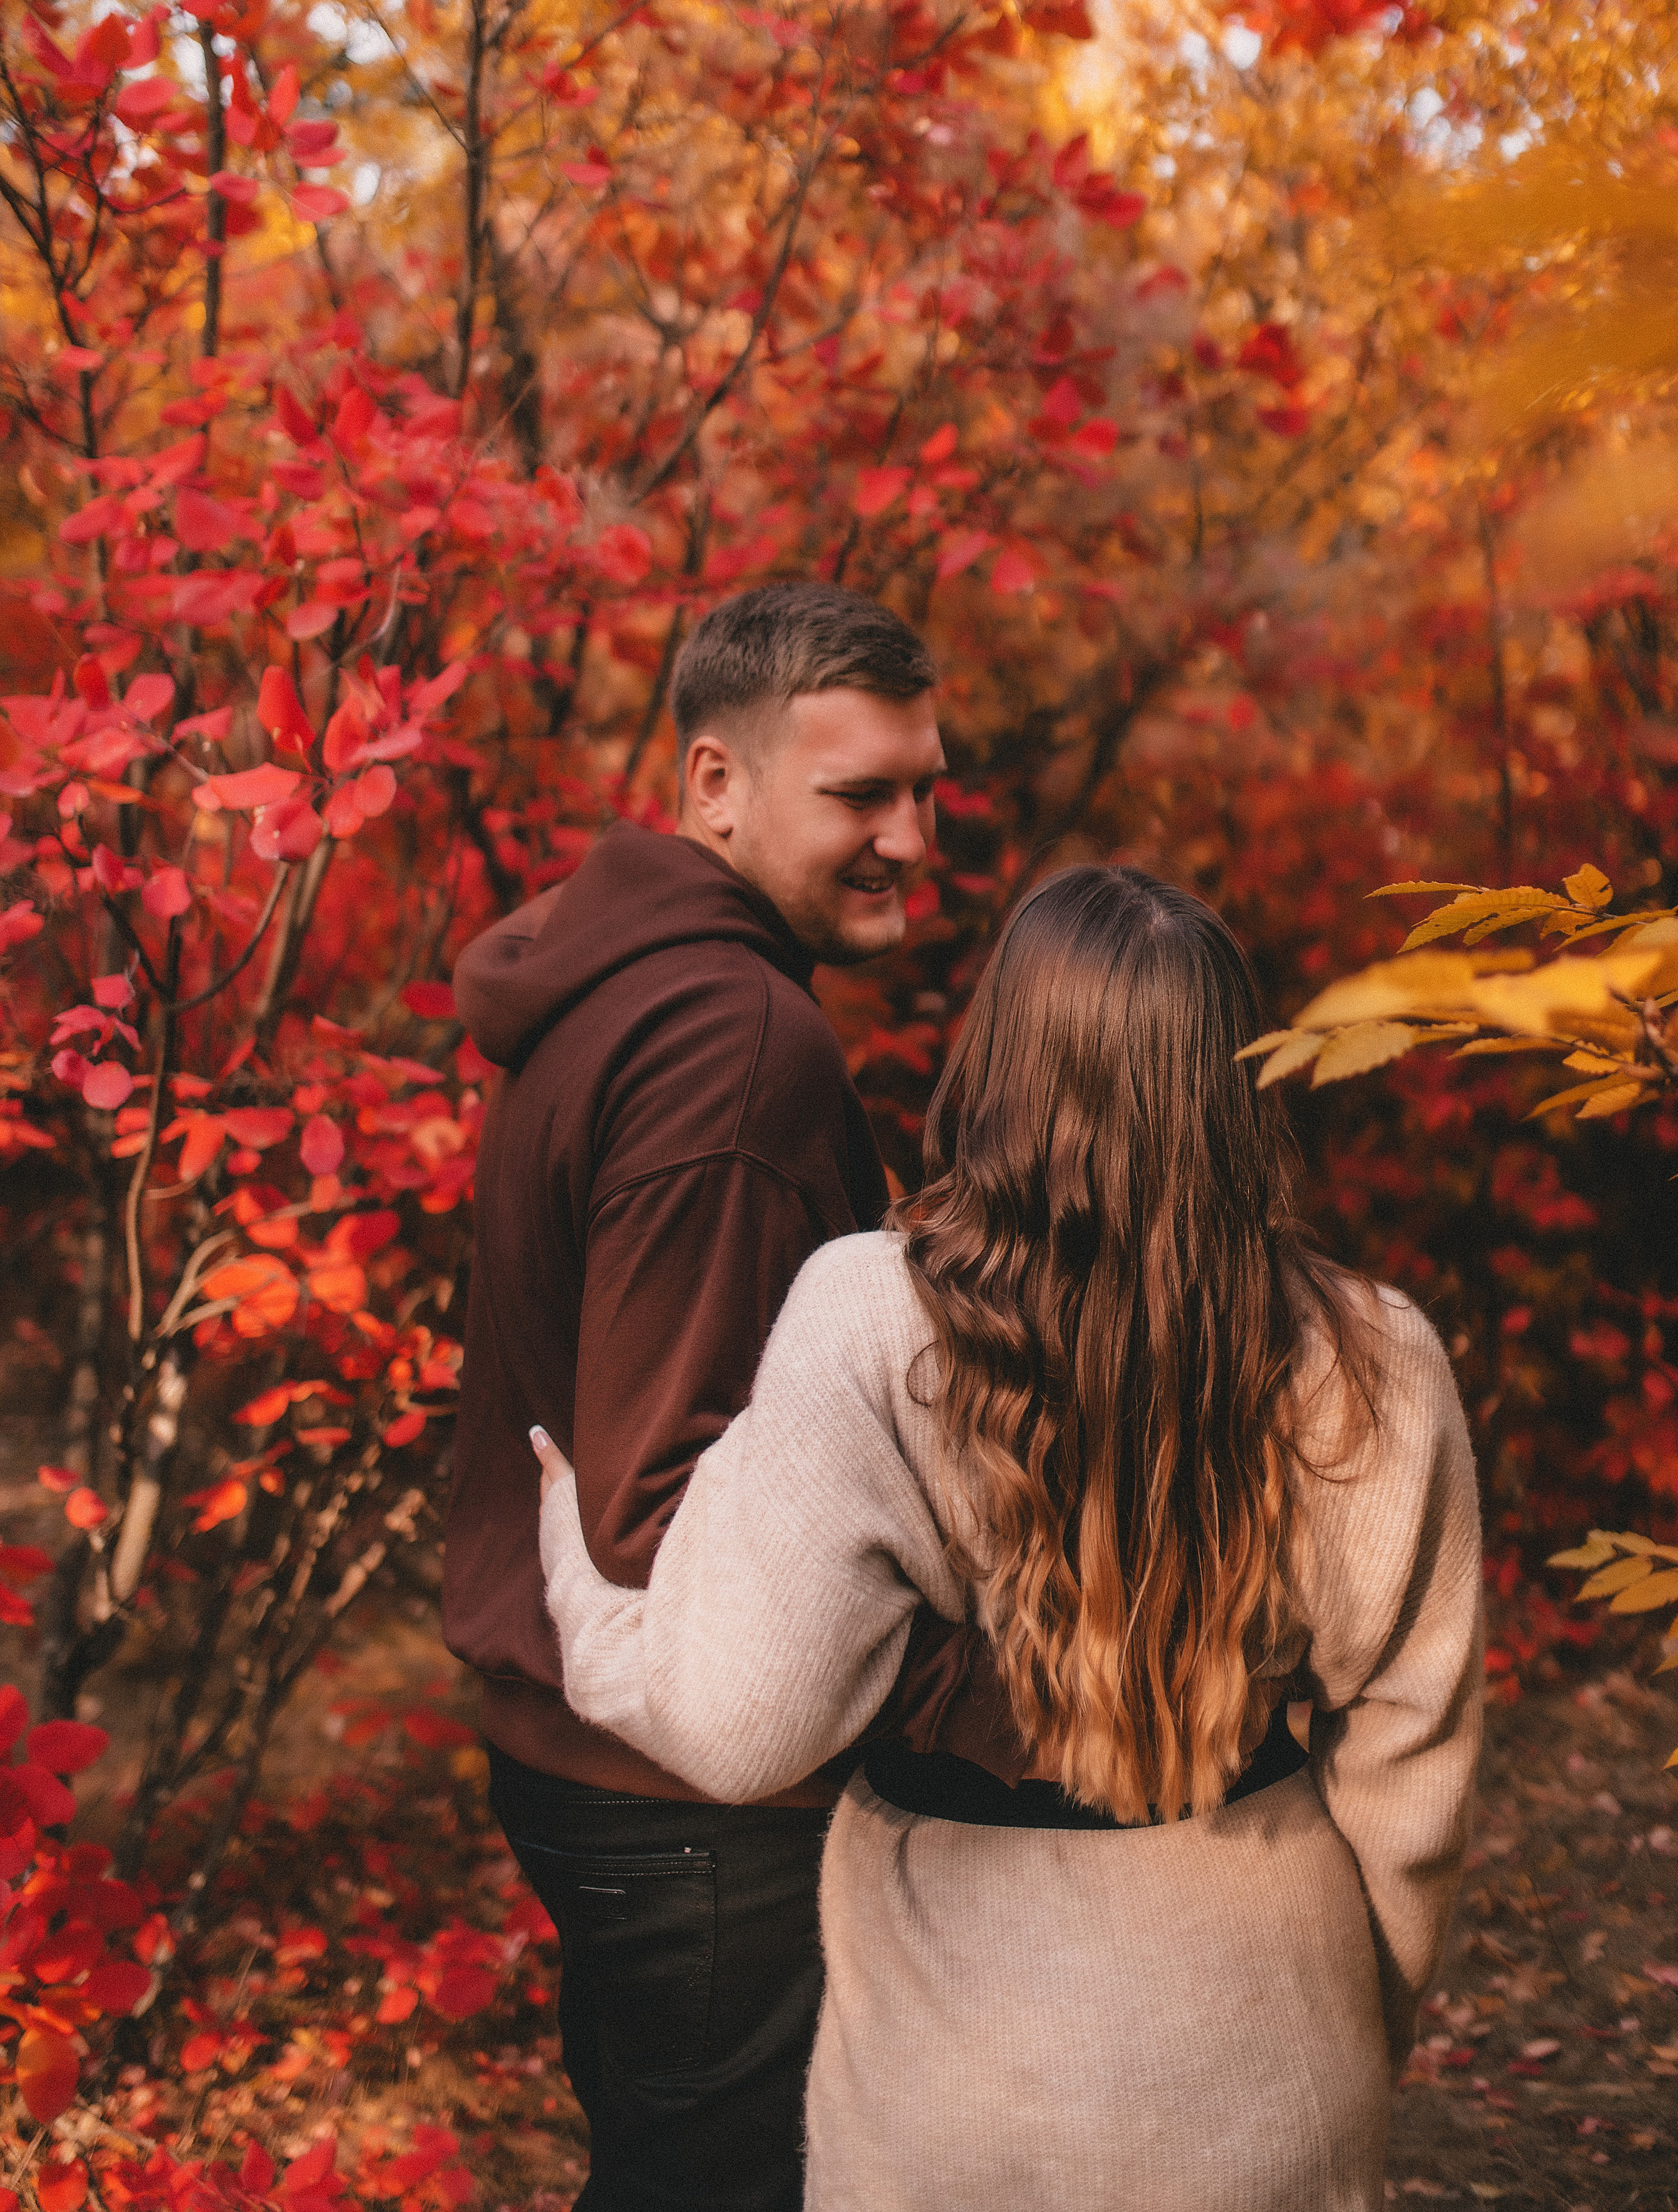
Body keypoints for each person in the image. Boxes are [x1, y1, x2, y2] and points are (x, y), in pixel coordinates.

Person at [533, 865, 1485, 2212]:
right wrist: (1355, 2006)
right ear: (1237, 1082)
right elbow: (1412, 1759)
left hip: (955, 2099)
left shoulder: (868, 1318)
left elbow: (740, 1725)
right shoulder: (1373, 1354)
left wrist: (588, 1600)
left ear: (996, 1062)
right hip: (1269, 2042)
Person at [442, 582, 946, 2212]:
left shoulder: (623, 992)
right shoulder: (736, 1037)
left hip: (602, 1767)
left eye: (923, 789)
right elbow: (667, 1510)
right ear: (713, 786)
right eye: (859, 794)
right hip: (696, 1804)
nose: (910, 839)